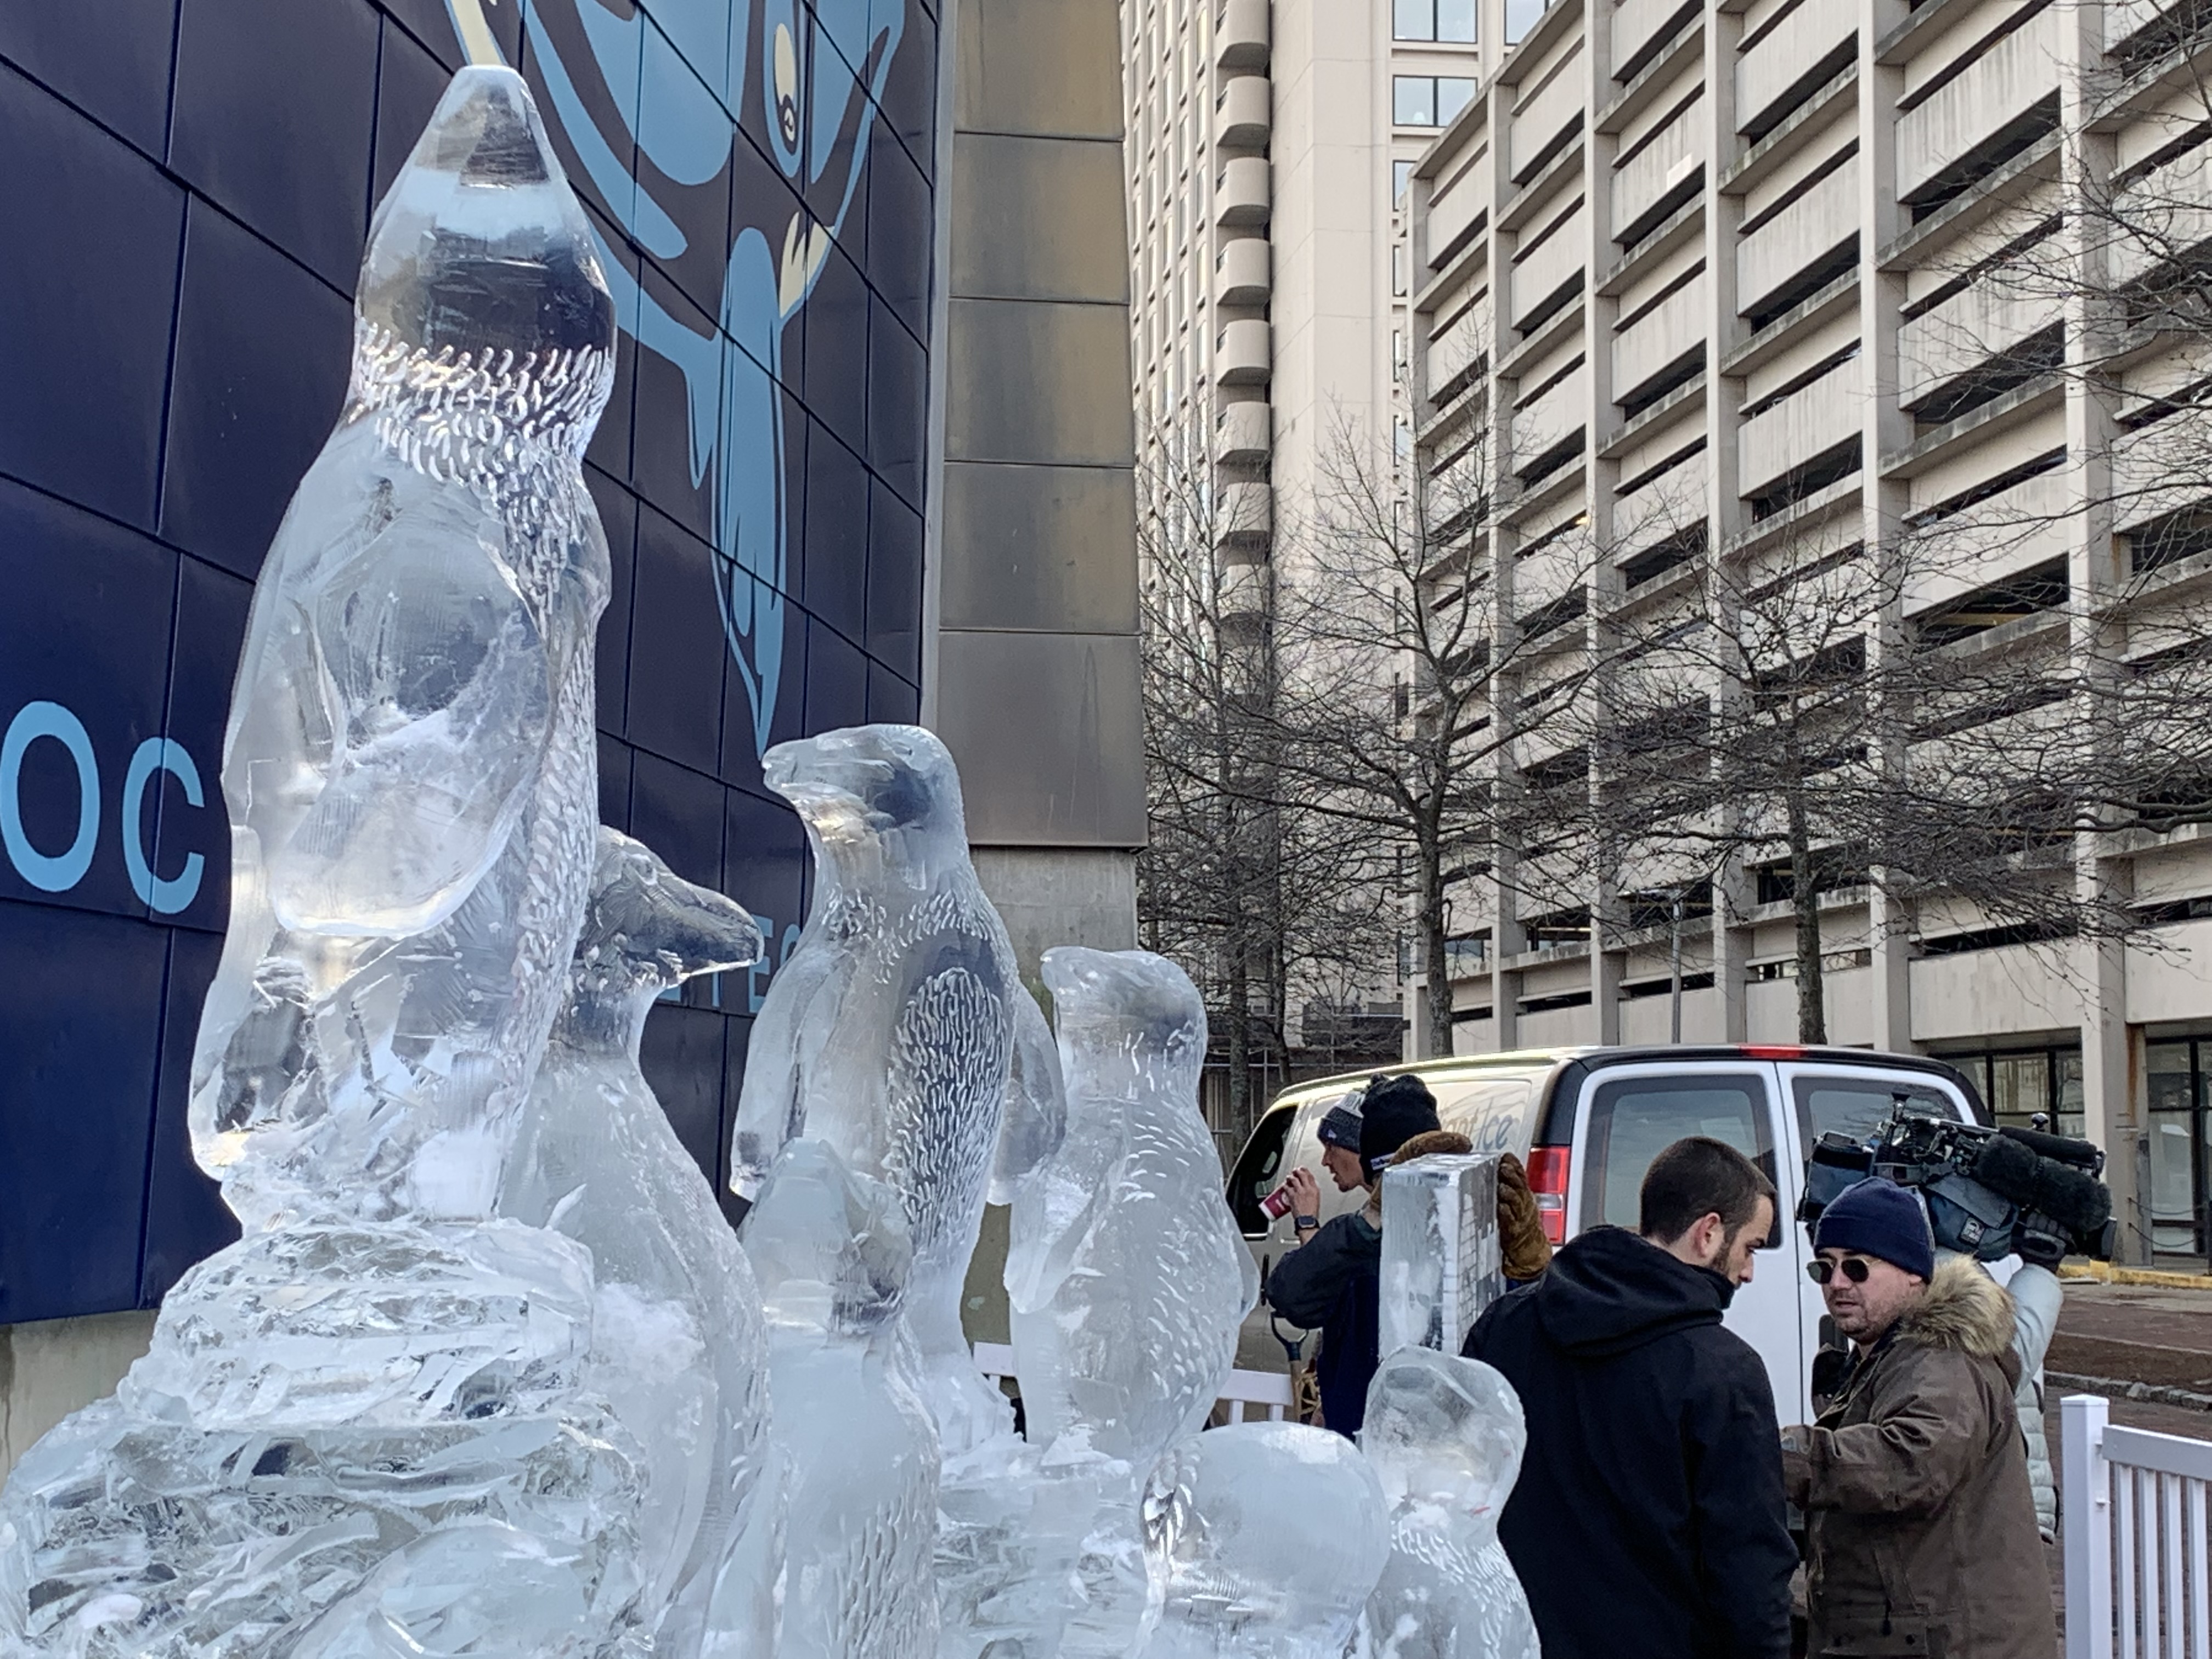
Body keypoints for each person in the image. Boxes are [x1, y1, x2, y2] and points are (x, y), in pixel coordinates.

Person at [1462, 1137, 1795, 1659]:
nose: (1750, 1270)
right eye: (1751, 1246)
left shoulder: (1504, 1328)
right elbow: (1750, 1572)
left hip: (1516, 1641)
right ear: (1708, 1233)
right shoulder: (1723, 1373)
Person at [1783, 1177, 2057, 1659]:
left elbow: (1912, 1462)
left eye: (1857, 1267)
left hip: (1958, 1644)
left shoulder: (1943, 1359)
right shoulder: (1884, 1355)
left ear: (1914, 1274)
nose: (1838, 1283)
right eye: (1823, 1269)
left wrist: (1784, 1454)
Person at [1267, 1074, 1441, 1436]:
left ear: (1364, 1149)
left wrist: (1307, 1222)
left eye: (1334, 1146)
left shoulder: (1374, 1236)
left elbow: (1306, 1294)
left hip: (1374, 1432)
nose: (1326, 1159)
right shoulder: (1390, 1222)